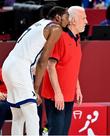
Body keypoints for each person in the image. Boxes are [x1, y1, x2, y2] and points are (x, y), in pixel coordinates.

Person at [1, 6, 69, 135]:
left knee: (18, 116)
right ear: (58, 17)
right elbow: (43, 61)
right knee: (32, 114)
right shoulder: (56, 28)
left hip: (9, 65)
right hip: (20, 67)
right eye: (67, 17)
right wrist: (35, 90)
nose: (68, 20)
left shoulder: (40, 23)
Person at [41, 6, 87, 135]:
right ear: (72, 20)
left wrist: (77, 88)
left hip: (68, 95)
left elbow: (72, 67)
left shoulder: (77, 38)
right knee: (56, 132)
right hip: (56, 96)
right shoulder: (60, 37)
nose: (86, 21)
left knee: (64, 132)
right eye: (83, 18)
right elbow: (50, 66)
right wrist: (58, 93)